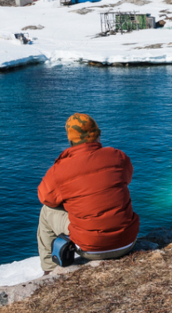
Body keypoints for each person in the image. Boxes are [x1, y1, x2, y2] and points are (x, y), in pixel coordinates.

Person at [37, 113, 140, 273]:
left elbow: (45, 198)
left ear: (70, 140)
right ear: (98, 135)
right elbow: (127, 178)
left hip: (90, 249)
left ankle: (50, 271)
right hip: (127, 242)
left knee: (46, 211)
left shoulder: (60, 170)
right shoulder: (118, 156)